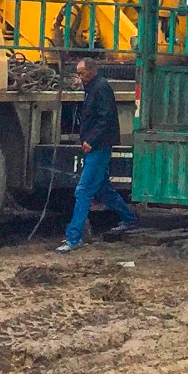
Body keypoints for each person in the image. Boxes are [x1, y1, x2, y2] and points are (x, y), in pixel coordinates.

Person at [57, 55, 138, 253]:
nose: (79, 77)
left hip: (99, 147)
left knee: (83, 191)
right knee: (102, 189)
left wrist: (90, 140)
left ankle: (73, 238)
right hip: (97, 146)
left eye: (81, 73)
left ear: (91, 72)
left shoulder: (100, 89)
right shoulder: (94, 87)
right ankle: (129, 219)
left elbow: (106, 119)